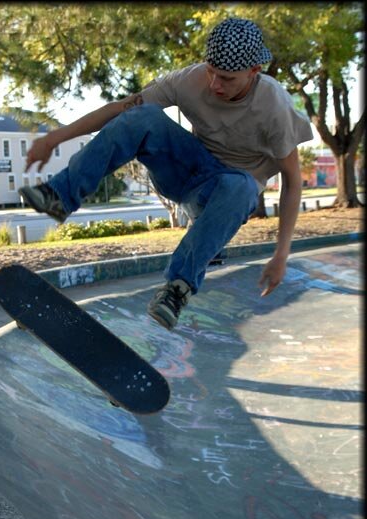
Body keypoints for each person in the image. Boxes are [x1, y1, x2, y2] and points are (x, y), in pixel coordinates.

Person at [19, 17, 313, 331]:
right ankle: (60, 196)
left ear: (255, 71)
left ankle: (177, 289)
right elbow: (121, 109)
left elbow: (292, 182)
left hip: (224, 194)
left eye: (227, 78)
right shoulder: (189, 80)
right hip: (184, 172)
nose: (215, 85)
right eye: (211, 72)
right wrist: (53, 138)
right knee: (141, 115)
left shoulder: (274, 105)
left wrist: (281, 254)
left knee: (242, 187)